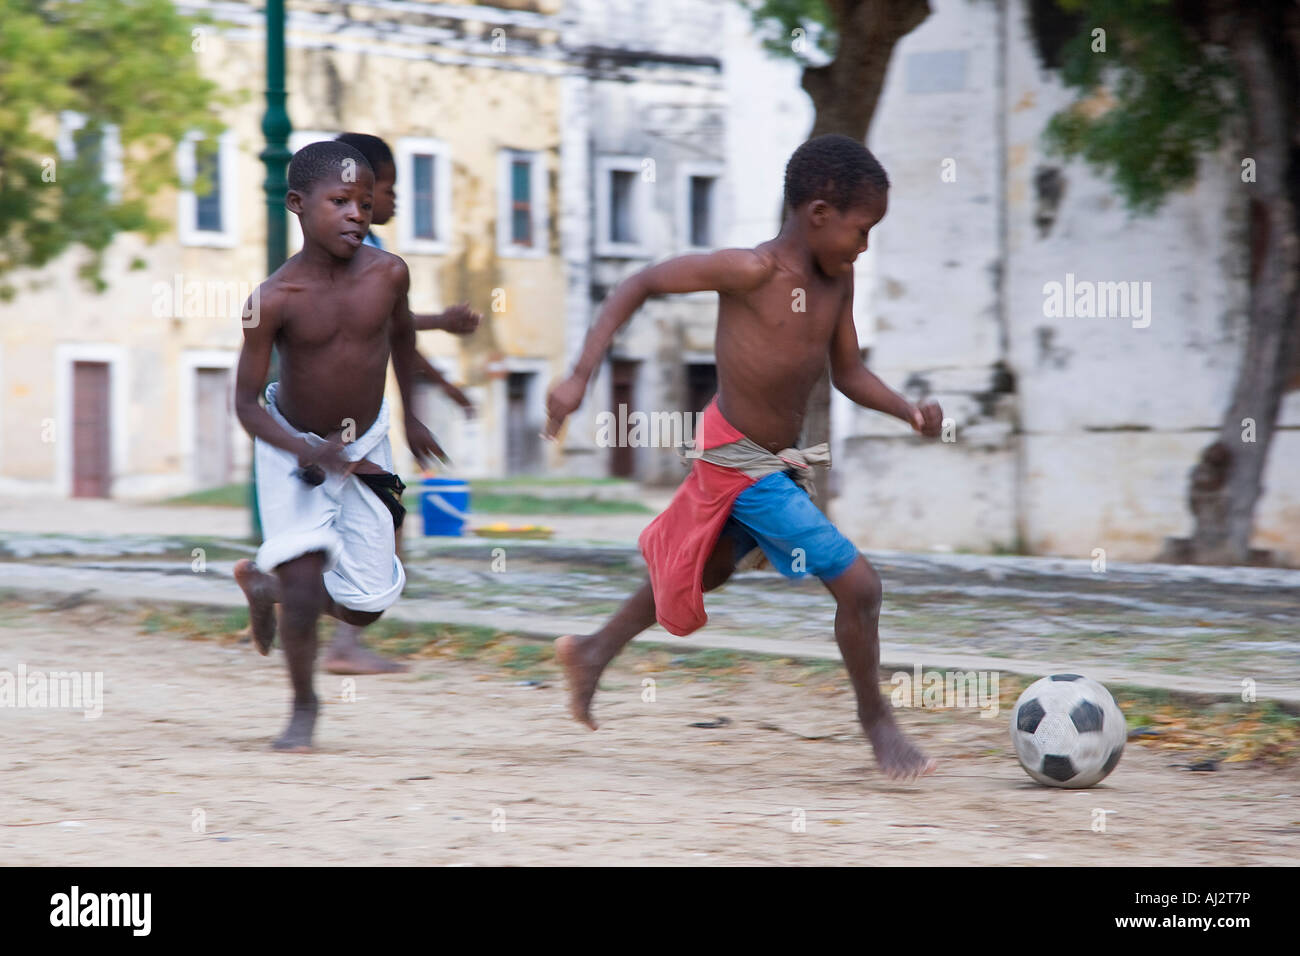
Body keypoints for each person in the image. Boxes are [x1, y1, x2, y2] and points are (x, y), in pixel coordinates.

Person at [544, 134, 944, 780]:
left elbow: (847, 372)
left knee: (711, 567)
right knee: (860, 585)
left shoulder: (836, 282)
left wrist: (908, 410)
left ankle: (592, 651)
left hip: (772, 460)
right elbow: (641, 283)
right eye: (862, 230)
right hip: (739, 458)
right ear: (818, 214)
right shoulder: (750, 271)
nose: (864, 246)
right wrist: (578, 375)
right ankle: (878, 725)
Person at [231, 140, 442, 750]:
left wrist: (414, 418)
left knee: (368, 605)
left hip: (369, 440)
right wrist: (304, 450)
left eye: (366, 202)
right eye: (341, 201)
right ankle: (303, 708)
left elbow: (401, 341)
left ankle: (266, 584)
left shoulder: (390, 273)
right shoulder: (271, 301)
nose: (358, 213)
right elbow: (244, 403)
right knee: (303, 577)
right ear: (298, 204)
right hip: (292, 443)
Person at [319, 132, 478, 674]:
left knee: (352, 521)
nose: (392, 200)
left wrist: (441, 393)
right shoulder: (361, 251)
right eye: (387, 188)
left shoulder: (362, 252)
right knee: (383, 518)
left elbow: (395, 336)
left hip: (323, 409)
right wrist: (445, 324)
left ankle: (302, 605)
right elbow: (390, 325)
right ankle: (336, 638)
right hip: (344, 413)